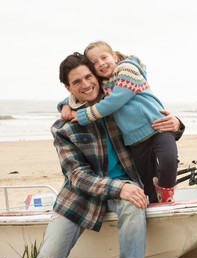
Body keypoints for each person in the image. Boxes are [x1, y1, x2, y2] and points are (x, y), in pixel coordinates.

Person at [37, 52, 183, 258]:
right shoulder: (63, 128)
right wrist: (118, 187)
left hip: (129, 188)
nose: (86, 84)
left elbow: (150, 124)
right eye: (77, 82)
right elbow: (77, 176)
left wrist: (176, 123)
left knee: (135, 204)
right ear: (68, 89)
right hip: (80, 196)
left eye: (89, 77)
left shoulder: (118, 105)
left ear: (97, 76)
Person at [61, 41, 179, 203]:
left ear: (114, 57)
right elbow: (81, 91)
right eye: (95, 63)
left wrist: (83, 115)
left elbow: (115, 101)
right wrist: (65, 104)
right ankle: (154, 203)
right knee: (146, 180)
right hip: (135, 141)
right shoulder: (105, 84)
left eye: (104, 57)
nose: (101, 63)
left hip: (158, 127)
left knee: (168, 161)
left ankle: (166, 198)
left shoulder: (128, 70)